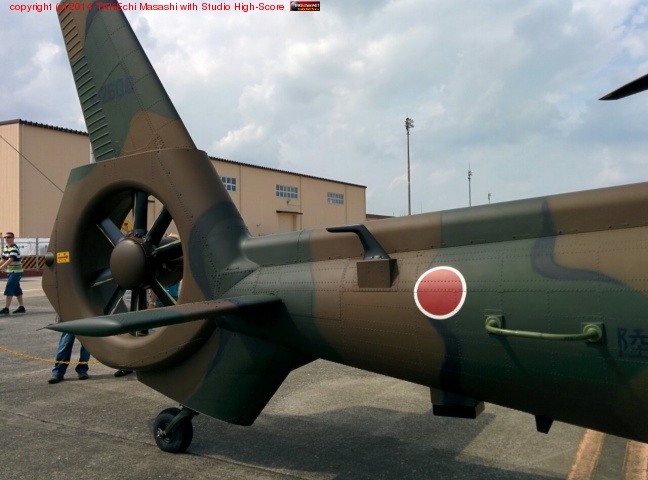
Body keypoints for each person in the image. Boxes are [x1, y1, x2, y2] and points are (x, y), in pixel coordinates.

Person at [0, 232, 25, 315]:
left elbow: (10, 260)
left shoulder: (14, 248)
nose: (7, 239)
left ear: (13, 238)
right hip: (10, 271)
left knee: (9, 287)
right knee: (16, 289)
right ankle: (21, 307)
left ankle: (6, 308)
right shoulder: (6, 248)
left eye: (9, 237)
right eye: (5, 237)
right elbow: (3, 259)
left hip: (16, 272)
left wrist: (1, 267)